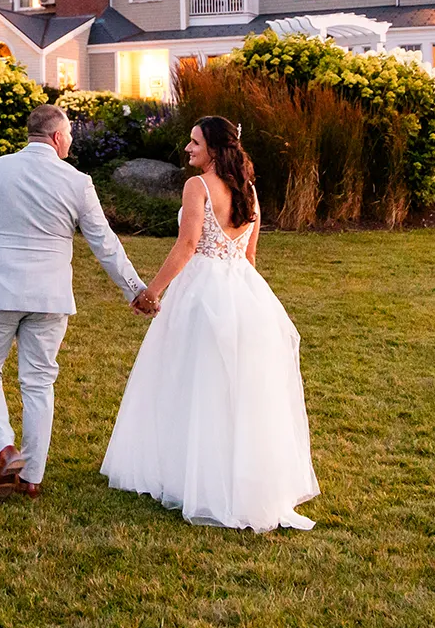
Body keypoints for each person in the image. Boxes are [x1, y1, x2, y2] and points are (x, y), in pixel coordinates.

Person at [102, 116, 319, 531]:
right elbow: (250, 255)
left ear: (215, 150)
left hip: (201, 291)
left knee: (190, 378)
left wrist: (152, 292)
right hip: (243, 292)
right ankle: (232, 472)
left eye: (195, 143)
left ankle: (191, 473)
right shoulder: (249, 191)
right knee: (234, 386)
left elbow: (186, 246)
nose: (187, 148)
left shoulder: (197, 187)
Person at [0, 103, 156, 502]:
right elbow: (104, 243)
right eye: (70, 137)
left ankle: (4, 449)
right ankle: (31, 478)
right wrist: (135, 289)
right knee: (39, 381)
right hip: (50, 298)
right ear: (57, 136)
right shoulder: (77, 182)